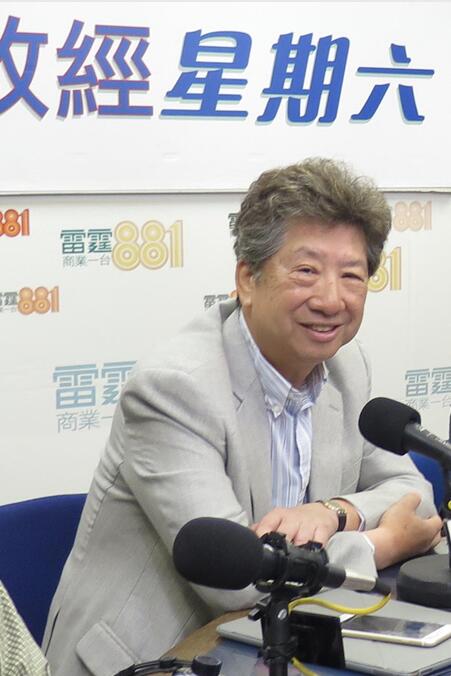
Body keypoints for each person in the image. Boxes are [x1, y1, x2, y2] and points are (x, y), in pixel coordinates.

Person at [43, 158, 442, 676]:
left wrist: (335, 512)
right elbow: (239, 583)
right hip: (154, 658)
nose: (331, 299)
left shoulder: (346, 366)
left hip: (274, 644)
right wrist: (376, 543)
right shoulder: (175, 389)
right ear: (247, 279)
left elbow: (413, 493)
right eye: (306, 271)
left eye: (351, 275)